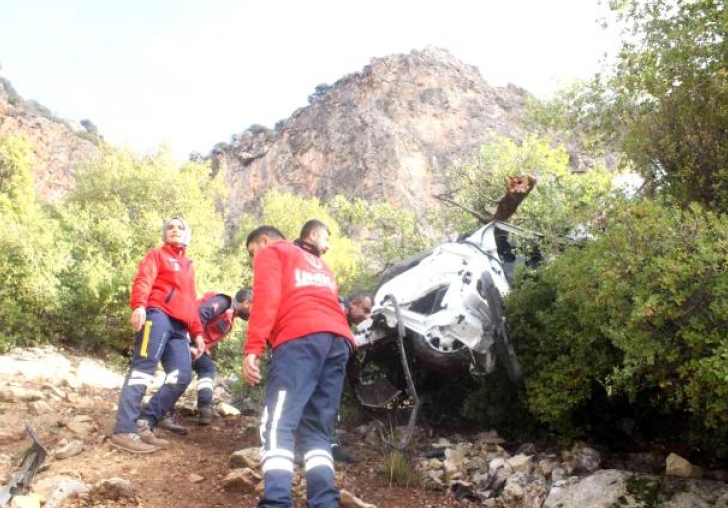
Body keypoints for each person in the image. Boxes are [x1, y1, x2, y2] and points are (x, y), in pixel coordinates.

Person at [243, 222, 354, 508]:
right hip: (338, 342)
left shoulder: (272, 252)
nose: (255, 258)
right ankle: (324, 502)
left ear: (264, 241)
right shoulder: (320, 266)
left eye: (253, 252)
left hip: (300, 339)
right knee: (317, 430)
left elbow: (265, 300)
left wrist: (253, 347)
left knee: (278, 424)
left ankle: (277, 502)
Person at [109, 217, 206, 454]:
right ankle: (124, 429)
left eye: (180, 227)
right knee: (143, 370)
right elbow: (144, 279)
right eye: (170, 227)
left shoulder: (188, 266)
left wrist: (198, 333)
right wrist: (139, 306)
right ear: (165, 234)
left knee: (181, 375)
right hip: (157, 315)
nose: (174, 230)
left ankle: (145, 421)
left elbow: (191, 303)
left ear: (187, 235)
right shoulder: (157, 255)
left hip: (180, 327)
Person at [157, 288, 253, 434]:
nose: (254, 313)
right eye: (254, 307)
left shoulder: (230, 315)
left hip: (191, 342)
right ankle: (161, 412)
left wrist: (203, 347)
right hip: (182, 337)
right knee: (181, 373)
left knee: (207, 368)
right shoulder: (224, 302)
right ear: (246, 303)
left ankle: (205, 409)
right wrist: (194, 343)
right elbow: (201, 312)